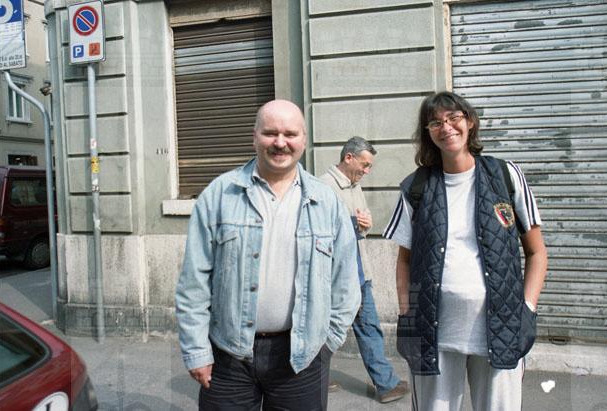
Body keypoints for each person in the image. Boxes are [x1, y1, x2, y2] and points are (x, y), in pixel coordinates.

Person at [175, 99, 361, 410]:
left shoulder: (326, 202)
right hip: (228, 357)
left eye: (290, 134)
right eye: (270, 133)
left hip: (302, 359)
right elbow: (193, 283)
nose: (280, 142)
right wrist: (196, 350)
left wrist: (327, 343)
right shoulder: (220, 195)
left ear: (303, 139)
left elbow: (346, 282)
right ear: (255, 137)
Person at [383, 91, 548, 411]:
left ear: (470, 122)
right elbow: (404, 261)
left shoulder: (506, 176)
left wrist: (527, 309)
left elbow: (537, 253)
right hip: (433, 334)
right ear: (428, 133)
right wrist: (407, 313)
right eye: (435, 122)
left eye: (453, 117)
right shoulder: (415, 187)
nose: (446, 127)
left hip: (502, 328)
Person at [319, 137, 409, 403]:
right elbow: (321, 231)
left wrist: (365, 225)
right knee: (342, 328)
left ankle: (383, 383)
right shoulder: (323, 187)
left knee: (362, 326)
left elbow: (359, 229)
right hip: (337, 276)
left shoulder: (354, 185)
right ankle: (385, 384)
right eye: (365, 164)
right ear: (349, 157)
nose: (367, 171)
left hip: (358, 271)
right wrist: (352, 225)